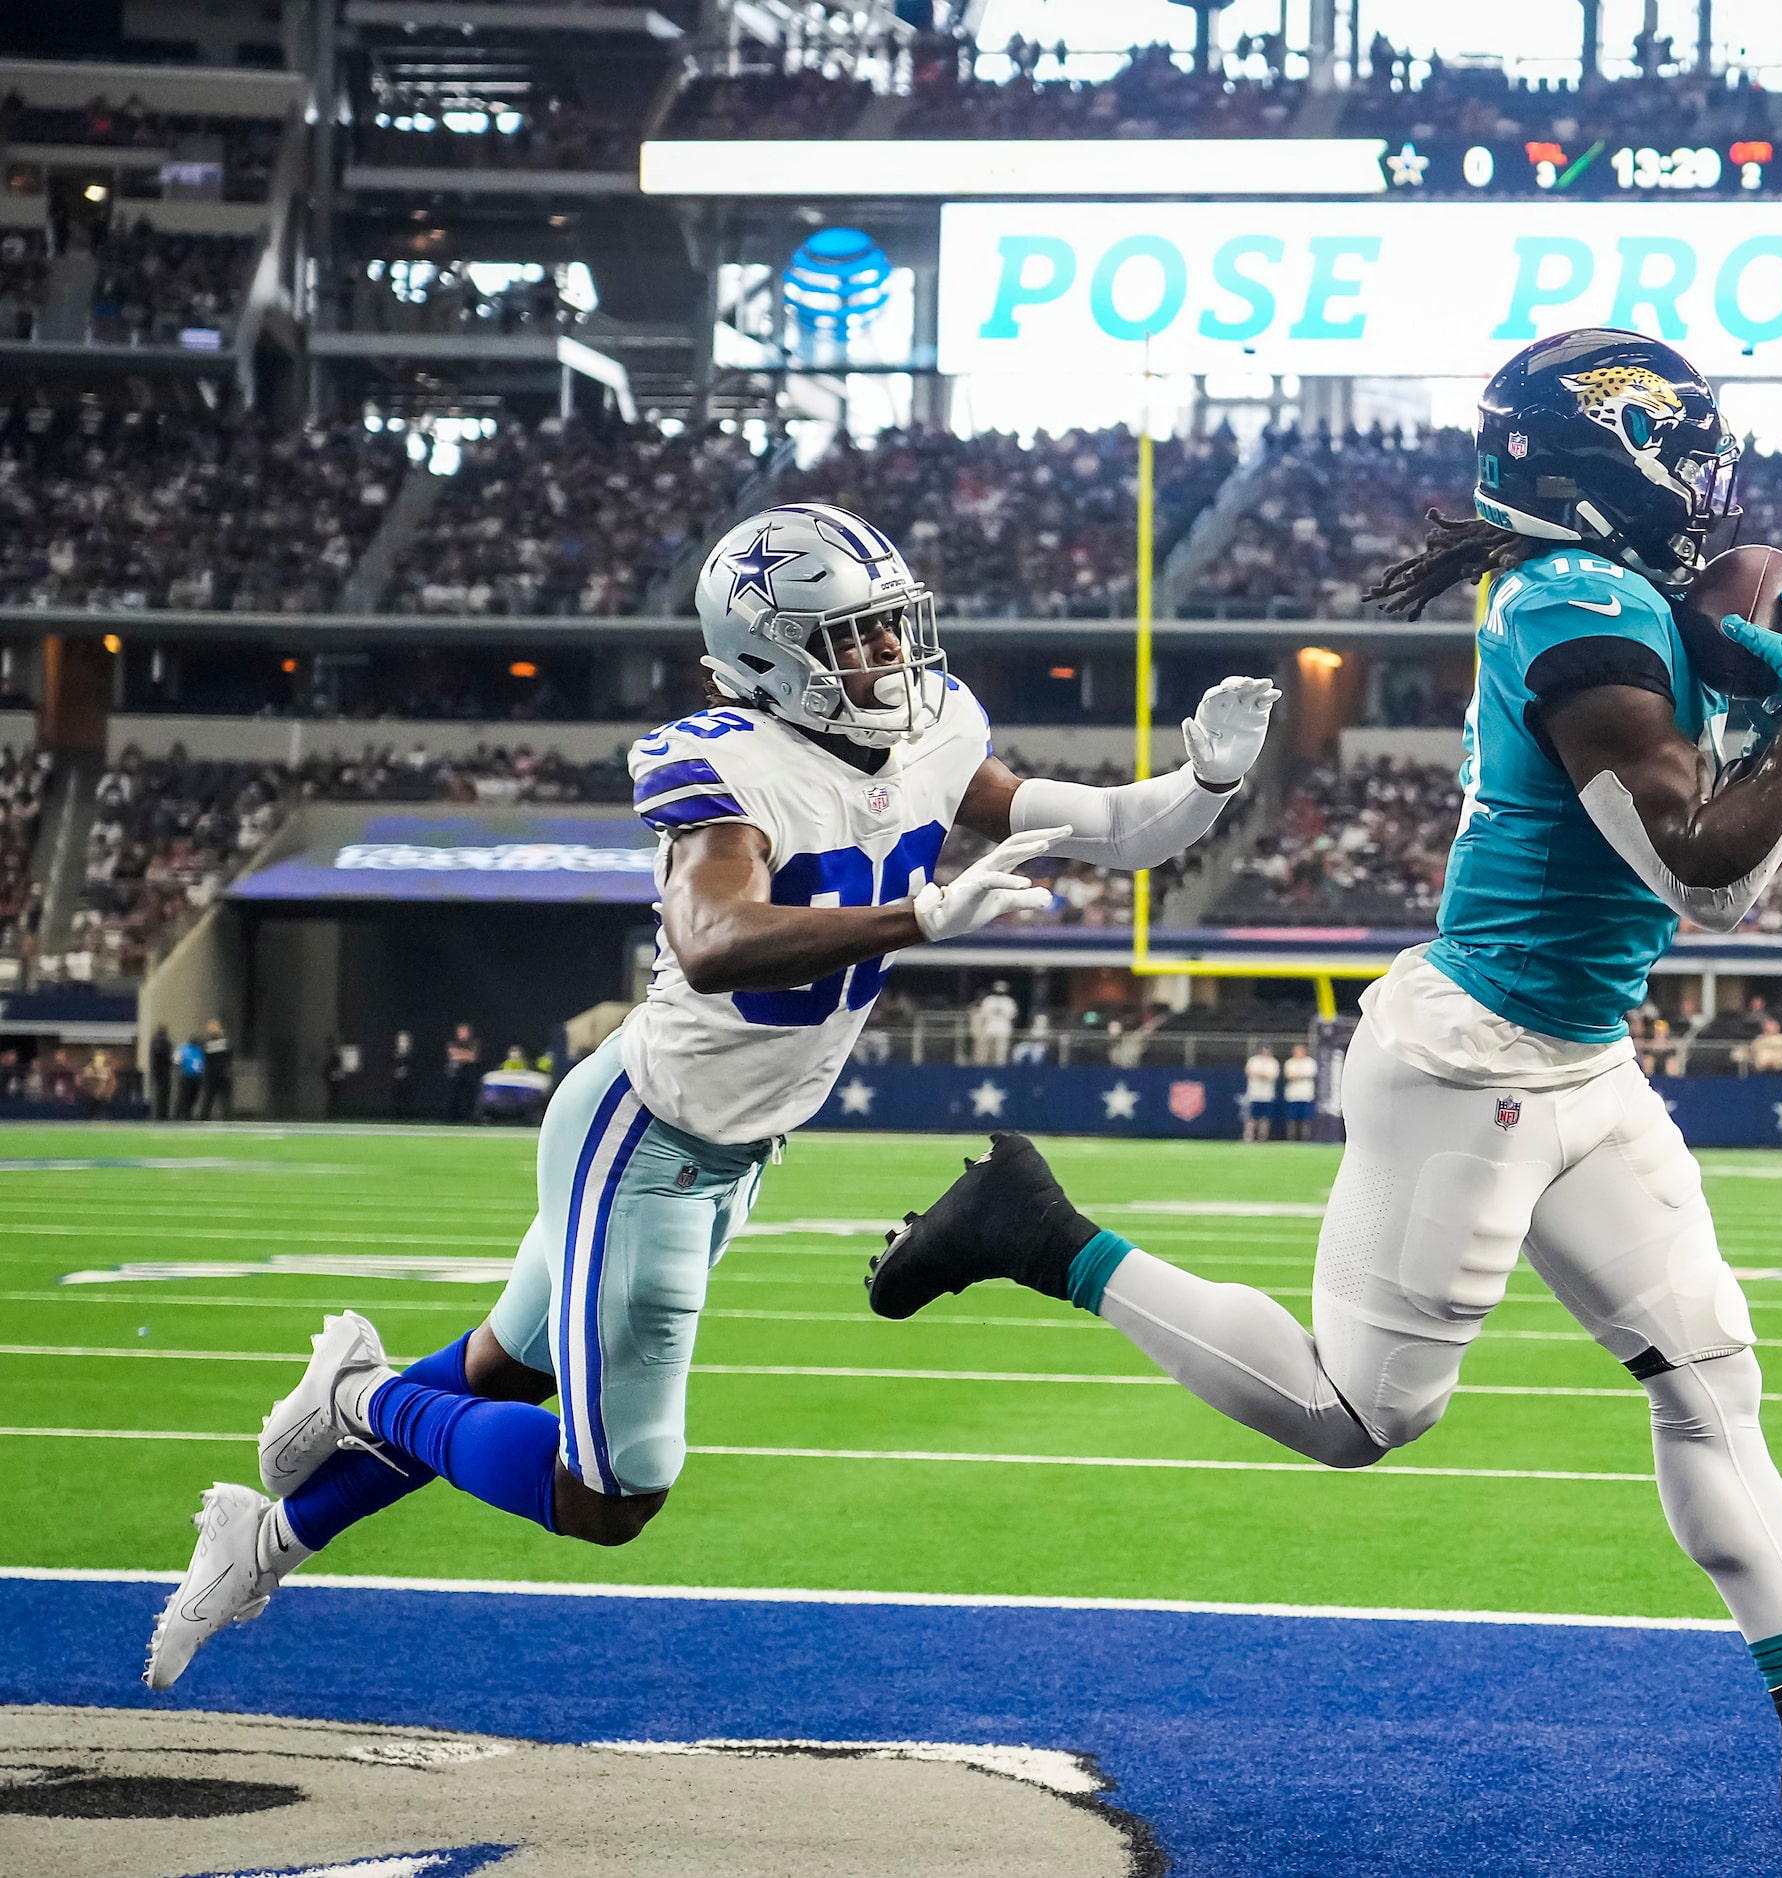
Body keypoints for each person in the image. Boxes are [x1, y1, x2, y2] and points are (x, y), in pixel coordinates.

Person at [867, 332, 1782, 1846]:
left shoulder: (1622, 600)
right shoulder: (1574, 607)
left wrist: (1764, 708)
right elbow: (1712, 873)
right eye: (1680, 452)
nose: (1706, 483)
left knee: (1706, 1370)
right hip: (1474, 1065)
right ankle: (1041, 1233)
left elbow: (1707, 850)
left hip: (1585, 1057)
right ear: (1599, 462)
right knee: (1357, 1414)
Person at [146, 500, 1278, 1691]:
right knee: (609, 1496)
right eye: (853, 638)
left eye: (891, 628)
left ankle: (264, 1539)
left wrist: (1204, 782)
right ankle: (363, 1393)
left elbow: (1102, 826)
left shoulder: (936, 732)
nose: (890, 657)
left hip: (727, 1148)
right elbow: (713, 937)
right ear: (766, 660)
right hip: (643, 1145)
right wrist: (918, 915)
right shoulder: (727, 764)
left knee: (501, 1371)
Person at [971, 980, 1018, 1067]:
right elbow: (983, 1016)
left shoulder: (1009, 1002)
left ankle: (1000, 1071)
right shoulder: (989, 1000)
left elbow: (1012, 1017)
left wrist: (1011, 1030)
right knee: (986, 1054)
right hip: (989, 1030)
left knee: (1001, 1054)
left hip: (1003, 1031)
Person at [443, 1023, 482, 1123]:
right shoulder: (451, 1044)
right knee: (454, 1093)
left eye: (465, 1031)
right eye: (461, 1031)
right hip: (455, 1073)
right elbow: (452, 1056)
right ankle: (453, 1117)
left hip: (470, 1072)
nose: (463, 1034)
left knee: (470, 1093)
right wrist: (463, 1056)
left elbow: (473, 1058)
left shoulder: (475, 1043)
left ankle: (470, 1116)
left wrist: (461, 1056)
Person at [195, 1019, 232, 1120]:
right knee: (208, 1098)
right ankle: (204, 1117)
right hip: (211, 1074)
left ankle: (227, 1118)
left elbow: (229, 1054)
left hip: (222, 1074)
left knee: (224, 1099)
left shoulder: (223, 1042)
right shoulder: (207, 1043)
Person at [1242, 1042, 1279, 1142]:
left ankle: (1262, 1138)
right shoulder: (1253, 1061)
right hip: (1254, 1094)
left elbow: (1271, 1076)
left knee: (1265, 1118)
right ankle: (1249, 1137)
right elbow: (1249, 1072)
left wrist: (1259, 1074)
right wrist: (1262, 1075)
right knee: (1251, 1117)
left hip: (1267, 1095)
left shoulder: (1273, 1062)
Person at [1280, 1041, 1317, 1141]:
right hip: (1293, 1095)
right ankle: (1291, 1138)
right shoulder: (1290, 1063)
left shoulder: (1310, 1062)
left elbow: (1310, 1074)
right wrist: (1301, 1076)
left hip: (1306, 1095)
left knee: (1306, 1119)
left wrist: (1297, 1075)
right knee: (1292, 1119)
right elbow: (1289, 1075)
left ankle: (1305, 1139)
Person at [148, 1023, 175, 1123]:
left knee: (158, 1094)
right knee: (164, 1094)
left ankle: (158, 1114)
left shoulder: (154, 1042)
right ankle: (163, 1114)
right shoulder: (165, 1042)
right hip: (164, 1072)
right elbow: (167, 1058)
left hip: (157, 1071)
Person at [389, 1030, 416, 1120]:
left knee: (407, 1098)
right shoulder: (394, 1053)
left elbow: (413, 1066)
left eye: (405, 1040)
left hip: (408, 1081)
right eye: (401, 1040)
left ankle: (407, 1115)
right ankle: (396, 1115)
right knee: (397, 1097)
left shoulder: (411, 1054)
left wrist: (406, 1071)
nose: (402, 1043)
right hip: (396, 1080)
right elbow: (390, 1065)